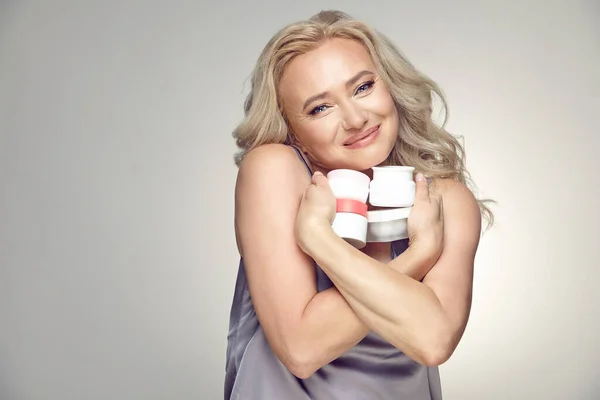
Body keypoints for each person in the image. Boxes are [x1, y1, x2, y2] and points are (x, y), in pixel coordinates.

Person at [224, 9, 493, 400]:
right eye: (320, 108)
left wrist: (318, 238)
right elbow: (302, 348)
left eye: (363, 87)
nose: (355, 118)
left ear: (390, 86)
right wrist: (417, 256)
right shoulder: (274, 169)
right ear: (294, 133)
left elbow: (433, 341)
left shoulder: (446, 200)